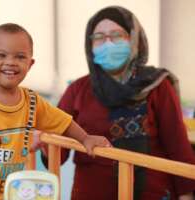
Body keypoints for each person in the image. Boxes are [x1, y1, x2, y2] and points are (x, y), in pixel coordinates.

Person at [0, 23, 111, 200]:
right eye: (1, 55)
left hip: (9, 193)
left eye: (20, 57)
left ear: (30, 63)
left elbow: (63, 122)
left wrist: (85, 138)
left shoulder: (32, 101)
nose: (10, 62)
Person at [42, 6, 195, 200]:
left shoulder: (157, 86)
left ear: (133, 40)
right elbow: (58, 152)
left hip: (153, 194)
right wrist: (43, 141)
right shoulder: (78, 90)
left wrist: (186, 195)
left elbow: (178, 146)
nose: (108, 43)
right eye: (98, 37)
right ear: (90, 45)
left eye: (116, 35)